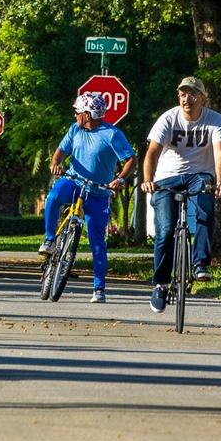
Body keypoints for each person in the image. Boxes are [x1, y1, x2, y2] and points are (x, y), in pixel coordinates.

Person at [140, 76, 221, 313]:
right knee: (166, 231)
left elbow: (220, 152)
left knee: (205, 212)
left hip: (200, 175)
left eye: (192, 94)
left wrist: (220, 182)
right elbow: (152, 152)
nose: (186, 99)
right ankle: (160, 284)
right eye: (182, 94)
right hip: (167, 177)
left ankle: (201, 264)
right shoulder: (168, 119)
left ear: (202, 97)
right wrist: (148, 181)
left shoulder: (215, 120)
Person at [38, 93, 136, 303]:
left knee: (97, 243)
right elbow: (59, 153)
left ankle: (99, 289)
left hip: (98, 192)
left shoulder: (112, 134)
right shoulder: (75, 130)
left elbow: (130, 160)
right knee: (54, 196)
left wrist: (119, 179)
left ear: (88, 114)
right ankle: (49, 240)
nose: (75, 115)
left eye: (78, 112)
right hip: (74, 181)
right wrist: (56, 163)